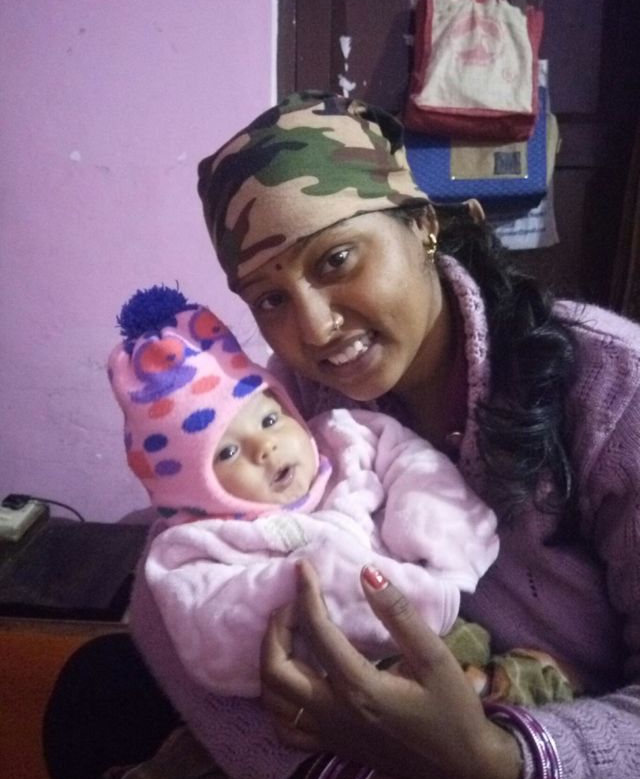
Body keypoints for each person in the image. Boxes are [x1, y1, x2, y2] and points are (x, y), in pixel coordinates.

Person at [44, 89, 640, 779]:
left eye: (336, 260)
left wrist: (496, 767)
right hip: (361, 740)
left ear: (422, 224)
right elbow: (167, 584)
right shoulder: (300, 394)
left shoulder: (614, 392)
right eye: (270, 298)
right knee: (99, 688)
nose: (316, 328)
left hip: (545, 751)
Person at [108, 285, 568, 706]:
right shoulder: (197, 545)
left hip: (444, 620)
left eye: (269, 420)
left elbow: (414, 465)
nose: (265, 447)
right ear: (193, 489)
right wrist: (316, 577)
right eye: (227, 451)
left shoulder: (342, 437)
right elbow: (212, 626)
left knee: (498, 672)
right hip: (341, 673)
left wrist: (433, 538)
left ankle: (518, 688)